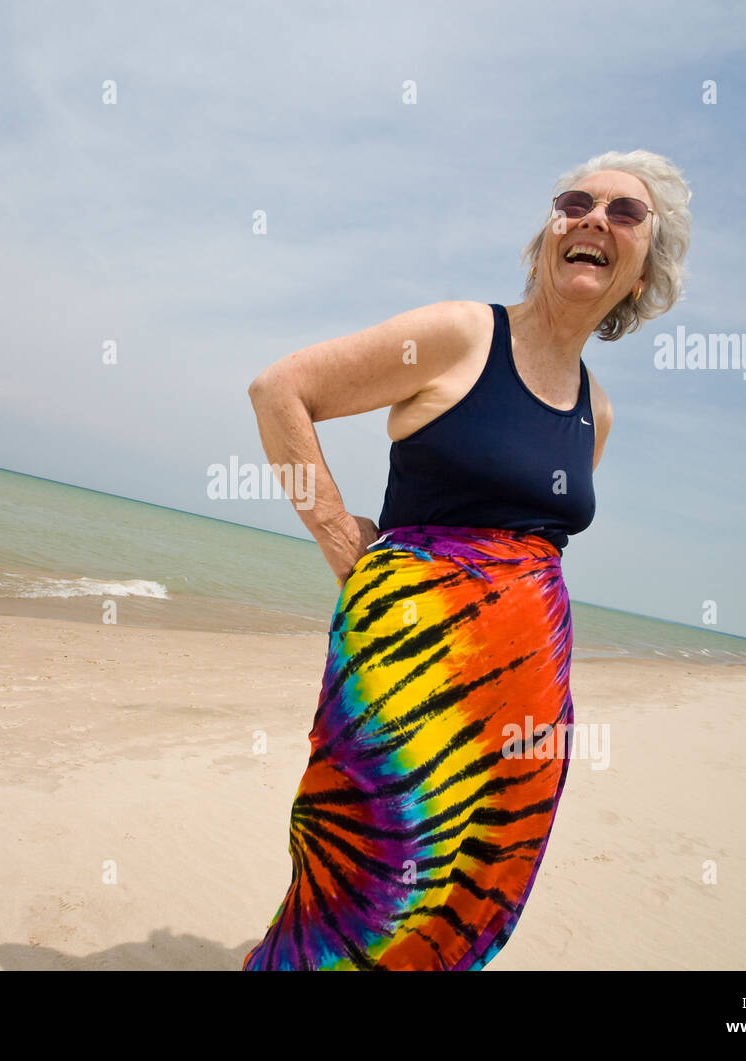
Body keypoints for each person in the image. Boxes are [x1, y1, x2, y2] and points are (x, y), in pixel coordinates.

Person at [240, 150, 692, 970]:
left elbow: (527, 552)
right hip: (404, 686)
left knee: (464, 907)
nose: (593, 217)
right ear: (548, 234)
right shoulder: (461, 335)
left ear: (642, 270)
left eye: (624, 212)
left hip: (522, 719)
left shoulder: (598, 412)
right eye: (575, 202)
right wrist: (338, 532)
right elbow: (280, 392)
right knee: (359, 888)